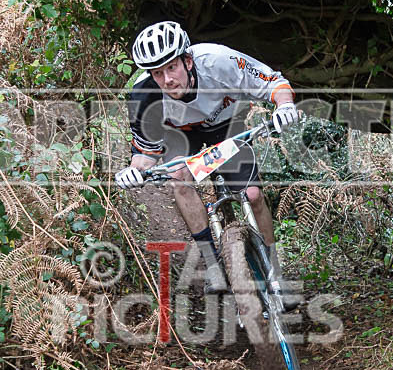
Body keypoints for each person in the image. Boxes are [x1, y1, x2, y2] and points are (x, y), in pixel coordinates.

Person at [115, 21, 298, 293]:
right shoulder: (143, 96)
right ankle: (213, 265)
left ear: (188, 60)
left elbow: (275, 83)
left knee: (253, 195)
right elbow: (145, 155)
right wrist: (132, 172)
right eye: (157, 72)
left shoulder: (218, 61)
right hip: (180, 134)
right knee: (178, 177)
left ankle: (274, 270)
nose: (167, 80)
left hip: (227, 125)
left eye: (172, 67)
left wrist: (284, 106)